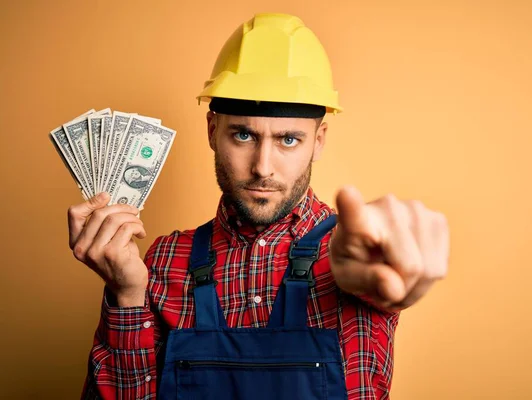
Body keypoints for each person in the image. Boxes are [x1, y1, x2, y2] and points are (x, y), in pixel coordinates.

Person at [71, 13, 449, 400]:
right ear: (212, 131)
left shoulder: (353, 251)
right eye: (244, 134)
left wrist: (389, 267)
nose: (262, 167)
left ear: (318, 140)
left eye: (288, 140)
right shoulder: (166, 259)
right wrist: (127, 295)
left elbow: (377, 279)